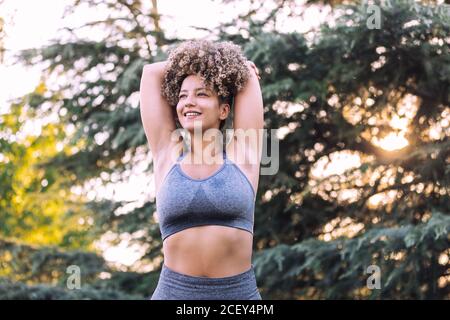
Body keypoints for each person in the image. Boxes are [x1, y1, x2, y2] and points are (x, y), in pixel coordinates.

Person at [139, 39, 264, 300]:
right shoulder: (166, 154)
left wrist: (233, 66)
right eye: (182, 96)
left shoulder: (244, 155)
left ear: (223, 110)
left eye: (202, 94)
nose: (188, 102)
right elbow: (151, 73)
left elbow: (248, 77)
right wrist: (206, 62)